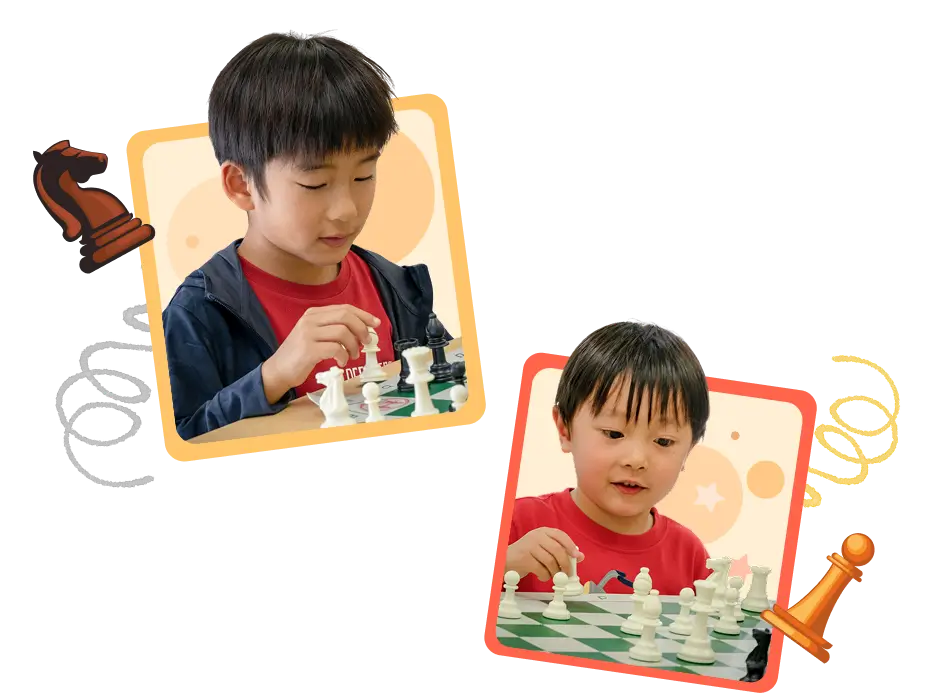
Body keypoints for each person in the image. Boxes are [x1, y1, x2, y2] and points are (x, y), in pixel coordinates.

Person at [162, 32, 447, 440]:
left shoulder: (396, 287)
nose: (347, 210)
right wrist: (271, 378)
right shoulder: (196, 315)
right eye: (315, 184)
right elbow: (180, 439)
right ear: (241, 185)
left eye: (364, 175)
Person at [505, 320, 712, 596]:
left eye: (664, 441)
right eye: (614, 433)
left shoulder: (691, 556)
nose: (636, 459)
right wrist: (503, 565)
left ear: (689, 450)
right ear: (565, 429)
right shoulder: (516, 523)